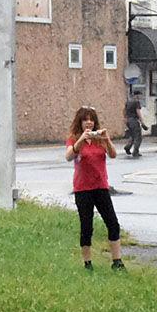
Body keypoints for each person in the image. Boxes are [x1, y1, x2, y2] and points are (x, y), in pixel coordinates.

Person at [65, 106, 125, 271]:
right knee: (87, 226)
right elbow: (69, 156)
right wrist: (81, 140)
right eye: (85, 119)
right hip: (83, 189)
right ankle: (87, 262)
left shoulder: (99, 139)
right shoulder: (74, 138)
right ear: (80, 122)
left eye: (91, 119)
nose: (89, 122)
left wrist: (106, 139)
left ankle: (117, 261)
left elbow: (113, 154)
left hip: (100, 187)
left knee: (112, 223)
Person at [123, 88, 146, 157]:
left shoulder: (128, 101)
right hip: (134, 120)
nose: (140, 97)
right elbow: (138, 112)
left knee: (132, 135)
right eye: (140, 95)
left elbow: (124, 110)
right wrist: (142, 122)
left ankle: (127, 147)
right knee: (138, 137)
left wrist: (125, 118)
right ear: (137, 95)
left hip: (128, 120)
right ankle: (135, 151)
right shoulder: (136, 102)